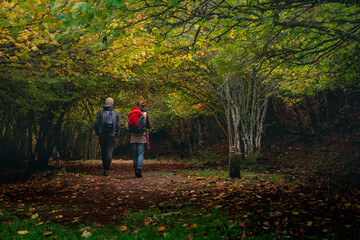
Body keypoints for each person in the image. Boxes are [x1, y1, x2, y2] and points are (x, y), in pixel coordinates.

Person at [94, 97, 120, 176]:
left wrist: (97, 133)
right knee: (109, 151)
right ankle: (107, 169)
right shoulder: (116, 112)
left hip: (102, 135)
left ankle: (105, 168)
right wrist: (117, 136)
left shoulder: (100, 111)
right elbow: (118, 126)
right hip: (112, 135)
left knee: (103, 151)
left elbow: (96, 123)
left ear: (105, 103)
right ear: (113, 103)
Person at [129, 101, 151, 178]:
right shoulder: (145, 114)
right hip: (142, 136)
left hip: (133, 136)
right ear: (143, 106)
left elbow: (128, 125)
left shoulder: (132, 113)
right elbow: (148, 126)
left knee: (135, 154)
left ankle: (135, 170)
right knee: (140, 153)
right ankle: (139, 169)